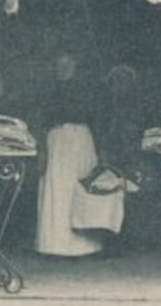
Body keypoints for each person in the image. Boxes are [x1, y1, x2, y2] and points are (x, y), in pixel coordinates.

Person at [32, 48, 121, 257]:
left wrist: (101, 149)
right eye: (59, 65)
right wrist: (42, 148)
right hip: (57, 142)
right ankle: (53, 245)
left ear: (76, 66)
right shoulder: (50, 91)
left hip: (81, 142)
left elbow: (98, 119)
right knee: (57, 190)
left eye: (68, 65)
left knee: (79, 190)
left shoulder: (88, 91)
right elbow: (41, 121)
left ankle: (83, 247)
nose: (63, 69)